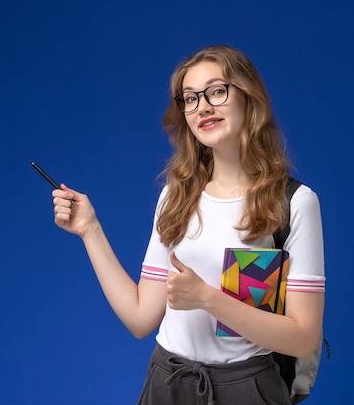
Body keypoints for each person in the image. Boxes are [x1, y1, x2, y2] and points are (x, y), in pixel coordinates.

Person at [51, 45, 325, 405]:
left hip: (247, 389)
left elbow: (304, 338)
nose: (203, 107)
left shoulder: (292, 203)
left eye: (216, 91)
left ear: (248, 97)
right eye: (190, 98)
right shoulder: (176, 197)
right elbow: (140, 319)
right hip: (168, 383)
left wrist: (210, 300)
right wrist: (90, 230)